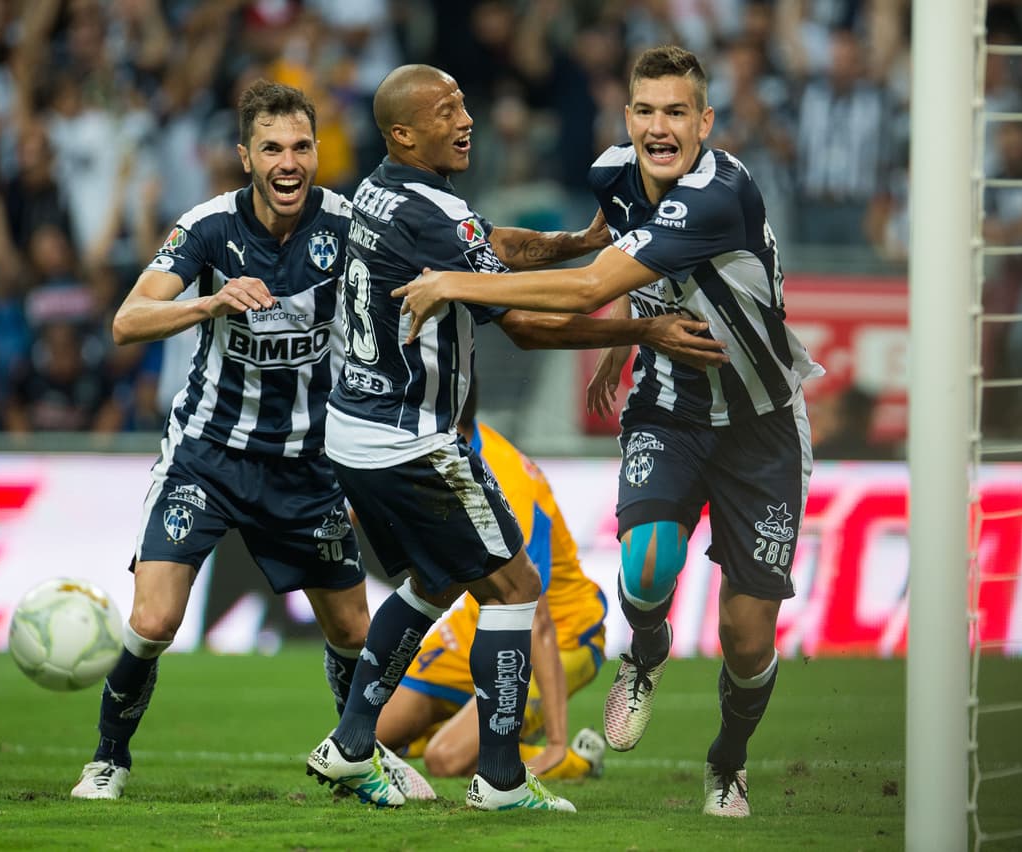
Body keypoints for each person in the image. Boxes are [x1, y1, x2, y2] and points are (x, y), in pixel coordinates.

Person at [393, 45, 824, 818]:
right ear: (629, 119)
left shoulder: (719, 193)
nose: (662, 127)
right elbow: (636, 265)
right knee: (650, 562)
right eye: (647, 111)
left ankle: (727, 762)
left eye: (678, 113)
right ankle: (647, 652)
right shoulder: (613, 175)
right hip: (673, 404)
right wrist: (626, 345)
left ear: (705, 122)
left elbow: (595, 283)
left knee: (749, 638)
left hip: (762, 426)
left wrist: (454, 280)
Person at [307, 63, 728, 813]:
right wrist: (646, 328)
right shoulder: (434, 207)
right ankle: (500, 779)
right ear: (404, 132)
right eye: (446, 110)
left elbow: (487, 244)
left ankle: (348, 745)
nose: (464, 118)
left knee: (437, 581)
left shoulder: (381, 191)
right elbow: (528, 328)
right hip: (413, 439)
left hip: (354, 433)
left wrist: (577, 243)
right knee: (515, 589)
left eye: (463, 101)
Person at [70, 80, 378, 801]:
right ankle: (109, 758)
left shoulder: (350, 223)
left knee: (355, 634)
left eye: (301, 146)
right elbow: (126, 319)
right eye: (272, 147)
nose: (289, 160)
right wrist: (208, 299)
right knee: (152, 619)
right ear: (246, 156)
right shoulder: (207, 228)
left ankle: (358, 756)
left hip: (307, 465)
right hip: (208, 456)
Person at [375, 386, 608, 785]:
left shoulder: (508, 482)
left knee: (445, 759)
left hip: (565, 633)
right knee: (372, 735)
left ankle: (576, 760)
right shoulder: (439, 455)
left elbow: (537, 618)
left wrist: (555, 740)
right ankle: (471, 726)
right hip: (477, 619)